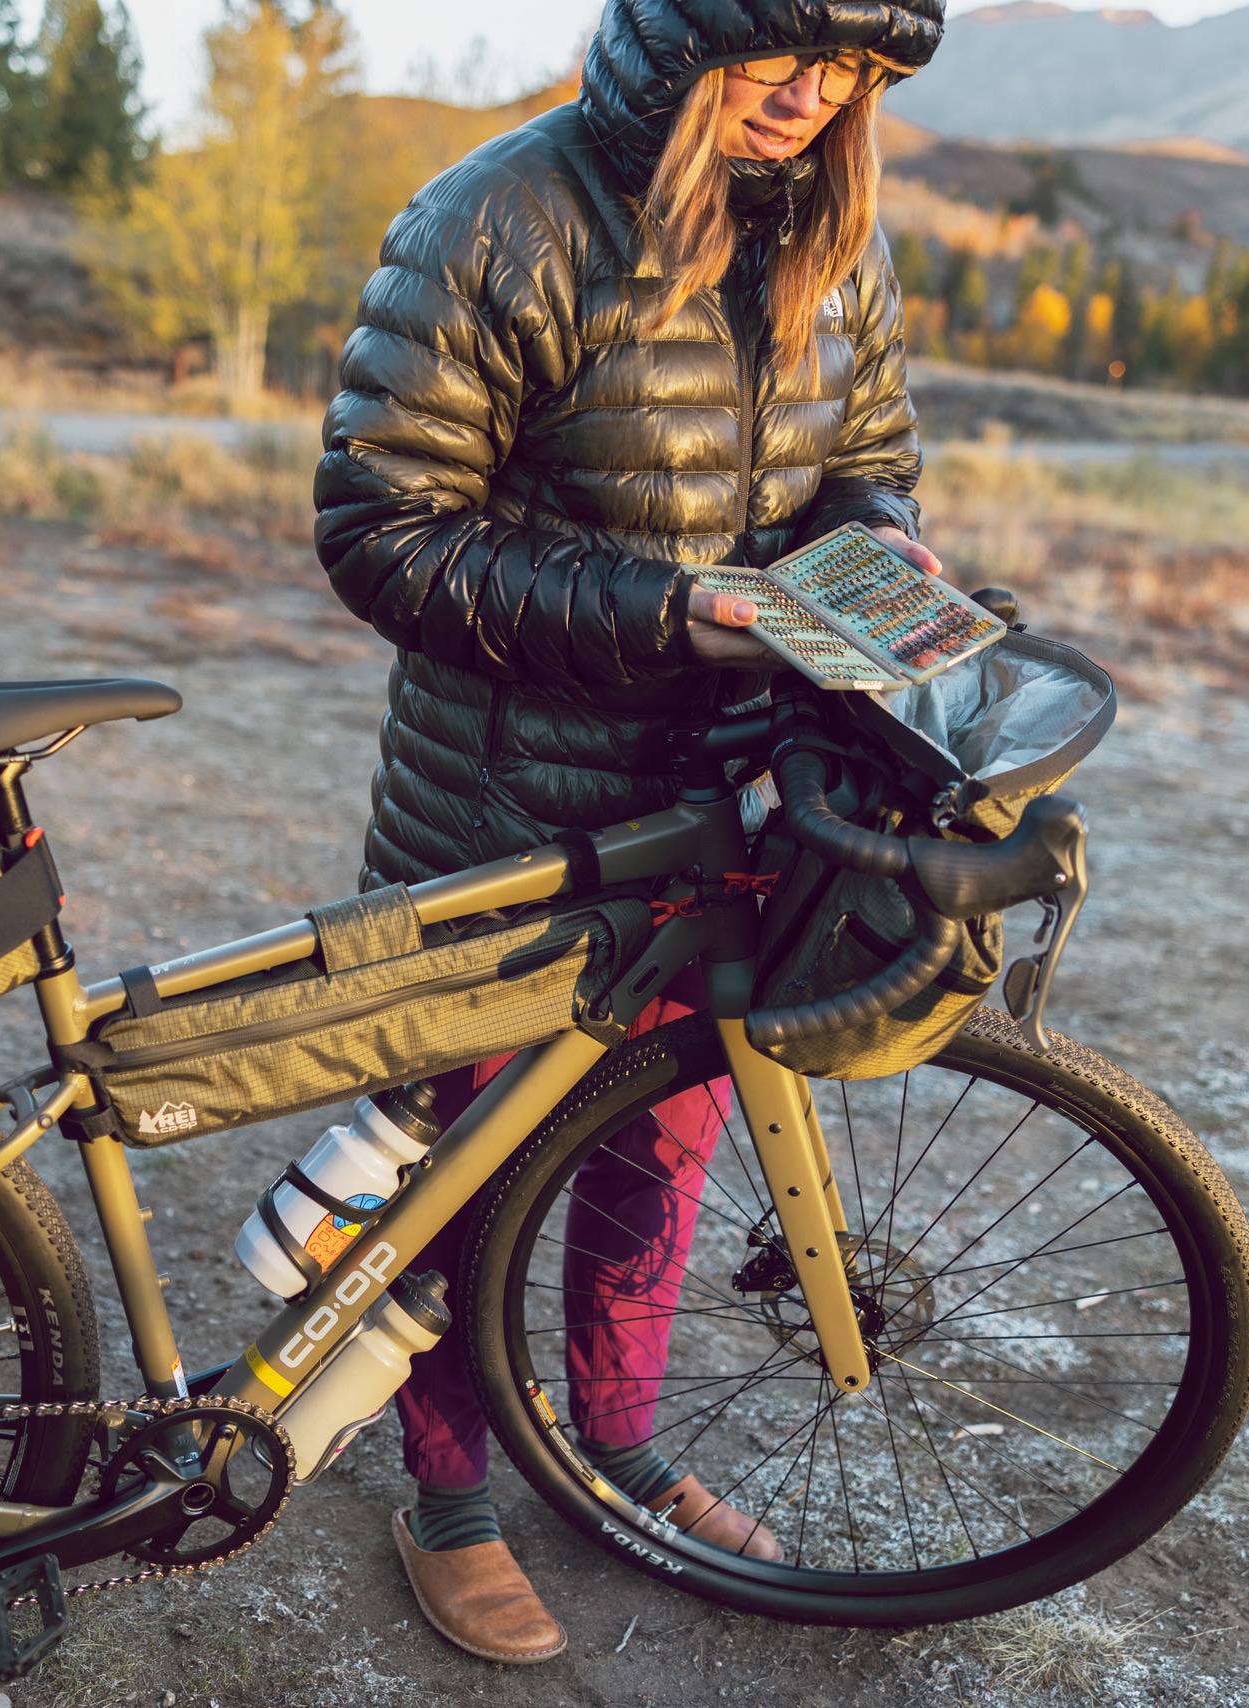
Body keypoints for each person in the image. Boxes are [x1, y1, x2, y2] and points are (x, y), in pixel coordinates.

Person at [315, 0, 947, 1664]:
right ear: (681, 31)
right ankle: (445, 1493)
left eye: (855, 68)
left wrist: (881, 556)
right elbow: (383, 534)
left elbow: (866, 463)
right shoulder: (497, 219)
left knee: (659, 1151)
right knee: (472, 1169)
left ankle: (613, 1445)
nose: (816, 96)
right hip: (512, 816)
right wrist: (682, 613)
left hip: (727, 812)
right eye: (784, 47)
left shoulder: (831, 239)